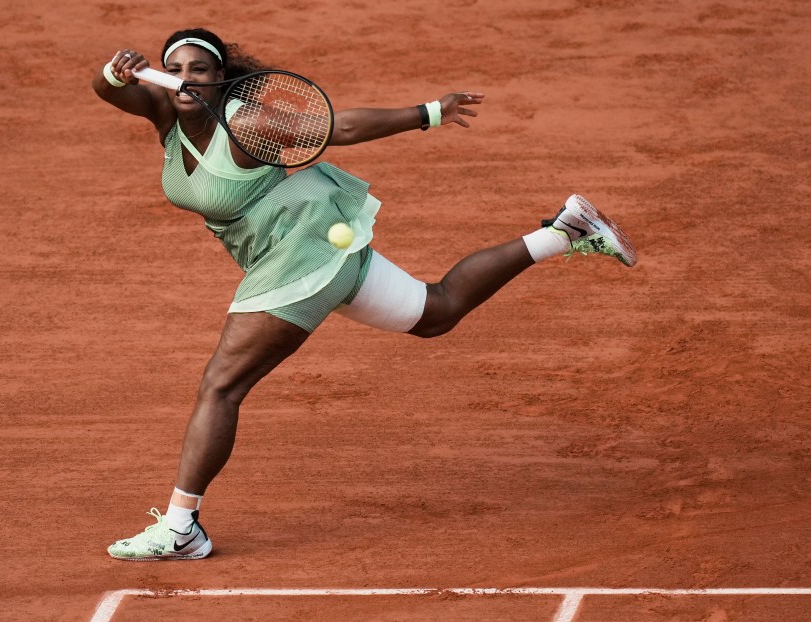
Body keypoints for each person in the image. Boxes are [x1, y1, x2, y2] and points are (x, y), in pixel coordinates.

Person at [92, 28, 637, 561]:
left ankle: (182, 527)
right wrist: (113, 73)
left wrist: (428, 112)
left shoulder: (249, 120)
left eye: (200, 70)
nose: (185, 80)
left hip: (299, 248)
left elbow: (340, 128)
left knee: (221, 385)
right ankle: (565, 231)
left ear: (221, 79)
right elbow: (106, 90)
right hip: (308, 245)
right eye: (176, 69)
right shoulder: (166, 113)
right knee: (435, 312)